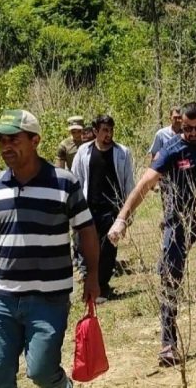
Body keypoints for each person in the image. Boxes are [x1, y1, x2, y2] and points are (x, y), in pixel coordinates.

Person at [0, 109, 100, 388]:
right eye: (1, 141)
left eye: (13, 139)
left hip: (49, 297)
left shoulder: (63, 183)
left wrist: (92, 275)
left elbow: (86, 230)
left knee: (42, 371)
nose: (5, 147)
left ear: (35, 140)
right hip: (2, 298)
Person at [108, 102, 196, 366]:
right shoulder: (170, 150)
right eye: (187, 128)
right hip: (179, 221)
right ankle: (168, 343)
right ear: (181, 125)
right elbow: (145, 184)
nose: (193, 133)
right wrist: (122, 219)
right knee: (170, 278)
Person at [71, 114, 135, 303]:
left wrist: (128, 212)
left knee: (108, 249)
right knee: (88, 248)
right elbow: (76, 179)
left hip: (112, 209)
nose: (109, 134)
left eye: (111, 130)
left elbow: (128, 182)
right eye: (105, 130)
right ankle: (90, 285)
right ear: (96, 131)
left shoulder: (122, 152)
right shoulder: (84, 152)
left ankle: (103, 287)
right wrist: (74, 207)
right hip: (89, 208)